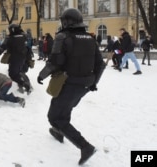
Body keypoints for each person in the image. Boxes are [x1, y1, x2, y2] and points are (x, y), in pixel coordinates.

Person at [37, 8, 106, 165]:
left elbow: (55, 62)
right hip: (85, 84)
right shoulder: (90, 38)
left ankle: (85, 146)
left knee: (54, 117)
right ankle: (58, 132)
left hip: (69, 83)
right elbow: (100, 64)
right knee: (64, 108)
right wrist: (94, 82)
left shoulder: (63, 37)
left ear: (67, 22)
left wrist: (42, 74)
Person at [0, 24, 32, 95]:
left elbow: (2, 48)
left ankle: (25, 85)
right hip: (24, 58)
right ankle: (23, 86)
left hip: (14, 59)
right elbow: (28, 48)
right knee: (20, 72)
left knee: (13, 74)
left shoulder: (10, 38)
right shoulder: (24, 37)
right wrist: (29, 58)